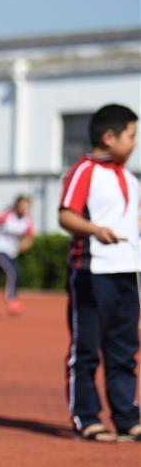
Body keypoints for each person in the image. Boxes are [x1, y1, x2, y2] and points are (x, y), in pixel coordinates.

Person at [59, 103, 139, 442]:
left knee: (124, 348)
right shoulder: (85, 170)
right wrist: (94, 229)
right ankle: (87, 417)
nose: (135, 143)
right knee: (87, 348)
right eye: (132, 136)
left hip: (127, 273)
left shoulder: (131, 178)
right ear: (109, 136)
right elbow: (66, 216)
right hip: (92, 272)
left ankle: (126, 416)